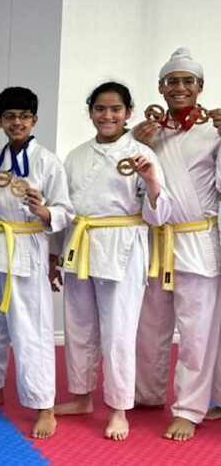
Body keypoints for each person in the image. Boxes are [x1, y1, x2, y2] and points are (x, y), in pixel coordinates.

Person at [54, 81, 170, 441]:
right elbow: (65, 209)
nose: (107, 116)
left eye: (115, 109)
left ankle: (119, 408)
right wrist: (54, 254)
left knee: (119, 329)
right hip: (80, 243)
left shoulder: (141, 154)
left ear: (128, 113)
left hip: (122, 246)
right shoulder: (75, 155)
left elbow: (159, 214)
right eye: (100, 109)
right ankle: (82, 396)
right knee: (78, 324)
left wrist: (150, 179)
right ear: (90, 112)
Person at [0, 87, 73, 438]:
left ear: (34, 120)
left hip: (27, 248)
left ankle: (44, 406)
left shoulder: (48, 162)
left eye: (24, 116)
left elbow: (64, 211)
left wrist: (44, 211)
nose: (17, 122)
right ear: (0, 121)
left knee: (32, 330)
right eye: (10, 116)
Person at [132, 47, 221, 441]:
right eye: (172, 81)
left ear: (200, 87)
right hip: (156, 239)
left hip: (197, 239)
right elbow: (130, 188)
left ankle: (189, 407)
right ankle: (147, 392)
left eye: (187, 81)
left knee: (198, 330)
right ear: (160, 87)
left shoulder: (214, 131)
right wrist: (130, 143)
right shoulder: (147, 132)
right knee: (149, 325)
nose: (179, 87)